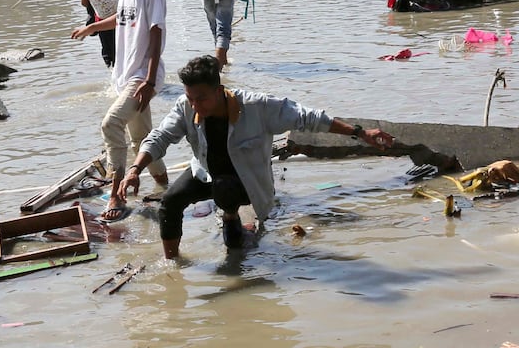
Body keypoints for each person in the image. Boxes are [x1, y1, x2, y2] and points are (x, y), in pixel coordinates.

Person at [127, 56, 394, 258]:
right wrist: (135, 169)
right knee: (170, 201)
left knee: (234, 241)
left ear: (219, 91)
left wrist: (360, 132)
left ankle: (232, 216)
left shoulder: (257, 107)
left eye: (201, 99)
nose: (195, 106)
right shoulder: (187, 106)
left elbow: (309, 117)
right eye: (190, 99)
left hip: (245, 183)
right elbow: (159, 137)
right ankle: (172, 264)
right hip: (205, 171)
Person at [69, 0, 171, 220]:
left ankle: (116, 193)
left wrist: (150, 80)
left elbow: (155, 31)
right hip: (125, 73)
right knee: (142, 138)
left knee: (111, 124)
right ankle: (165, 186)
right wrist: (92, 28)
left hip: (141, 75)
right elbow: (123, 17)